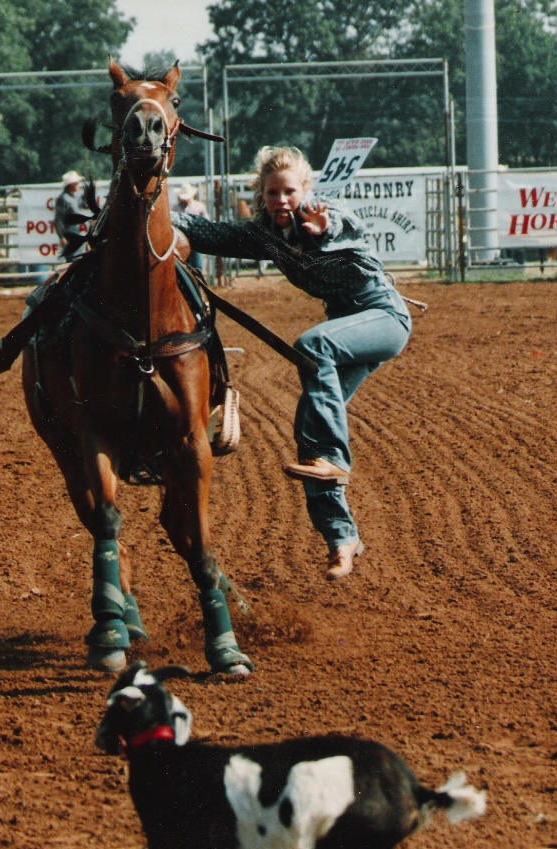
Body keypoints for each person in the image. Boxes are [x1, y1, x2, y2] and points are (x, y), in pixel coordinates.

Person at [172, 146, 412, 582]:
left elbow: (341, 226)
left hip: (383, 317)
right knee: (310, 433)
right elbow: (208, 233)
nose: (281, 201)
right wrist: (155, 219)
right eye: (272, 193)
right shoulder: (264, 235)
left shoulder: (326, 214)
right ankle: (342, 538)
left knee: (312, 347)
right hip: (346, 332)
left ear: (305, 190)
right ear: (262, 195)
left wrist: (321, 230)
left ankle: (333, 458)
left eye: (289, 192)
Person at [54, 170, 90, 259]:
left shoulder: (70, 197)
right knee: (72, 258)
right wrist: (62, 237)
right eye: (77, 183)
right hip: (69, 231)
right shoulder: (63, 199)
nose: (78, 186)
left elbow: (81, 203)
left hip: (73, 231)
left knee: (75, 257)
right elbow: (58, 220)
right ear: (72, 185)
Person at [174, 182, 208, 271]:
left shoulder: (199, 206)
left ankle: (198, 282)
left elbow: (206, 222)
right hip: (181, 241)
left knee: (197, 266)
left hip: (195, 239)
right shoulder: (176, 208)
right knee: (183, 266)